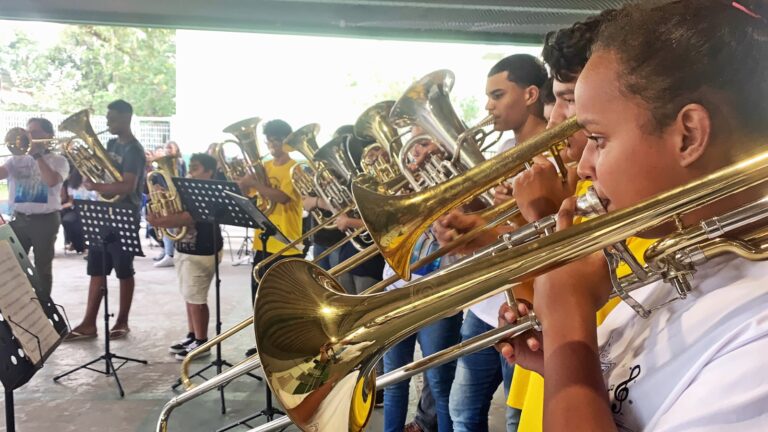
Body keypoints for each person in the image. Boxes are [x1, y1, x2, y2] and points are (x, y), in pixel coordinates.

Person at [497, 1, 768, 430]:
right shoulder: (689, 251)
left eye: (599, 139)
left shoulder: (759, 332)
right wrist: (567, 359)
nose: (584, 167)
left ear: (689, 135)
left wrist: (569, 324)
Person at [440, 53, 548, 432]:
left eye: (498, 95)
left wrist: (521, 209)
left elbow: (548, 232)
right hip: (485, 305)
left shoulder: (556, 155)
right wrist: (462, 213)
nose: (488, 106)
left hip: (522, 306)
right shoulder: (501, 153)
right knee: (462, 412)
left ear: (531, 94)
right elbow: (485, 219)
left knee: (517, 416)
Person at [65, 99, 146, 341]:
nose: (108, 122)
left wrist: (97, 185)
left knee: (123, 269)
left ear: (126, 118)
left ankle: (122, 321)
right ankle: (89, 323)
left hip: (124, 212)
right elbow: (99, 169)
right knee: (96, 267)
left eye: (112, 118)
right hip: (103, 211)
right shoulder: (110, 143)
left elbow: (128, 185)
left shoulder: (135, 150)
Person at [147, 153, 223, 360]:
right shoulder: (187, 190)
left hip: (202, 248)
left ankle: (202, 342)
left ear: (209, 172)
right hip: (183, 246)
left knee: (197, 298)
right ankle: (192, 335)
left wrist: (162, 221)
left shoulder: (209, 192)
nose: (191, 171)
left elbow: (190, 216)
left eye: (196, 168)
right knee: (189, 295)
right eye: (191, 167)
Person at [239, 119, 303, 356]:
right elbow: (248, 194)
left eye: (277, 140)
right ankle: (264, 343)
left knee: (281, 302)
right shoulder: (263, 167)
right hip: (262, 242)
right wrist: (244, 184)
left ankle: (283, 343)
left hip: (287, 244)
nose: (272, 145)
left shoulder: (295, 167)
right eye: (269, 140)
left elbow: (283, 197)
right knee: (259, 298)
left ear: (287, 141)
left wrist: (255, 182)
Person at [0, 118, 70, 296]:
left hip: (45, 221)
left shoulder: (59, 160)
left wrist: (37, 156)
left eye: (36, 132)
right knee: (12, 267)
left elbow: (51, 181)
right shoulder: (15, 160)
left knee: (42, 269)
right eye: (28, 132)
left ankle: (44, 308)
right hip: (19, 219)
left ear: (49, 136)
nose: (30, 136)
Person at [154, 140, 187, 268]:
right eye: (166, 147)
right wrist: (157, 188)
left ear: (176, 149)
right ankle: (168, 252)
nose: (167, 149)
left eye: (170, 147)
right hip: (165, 196)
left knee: (173, 225)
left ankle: (171, 254)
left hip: (176, 196)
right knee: (165, 226)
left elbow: (181, 178)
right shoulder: (160, 164)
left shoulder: (180, 163)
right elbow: (156, 179)